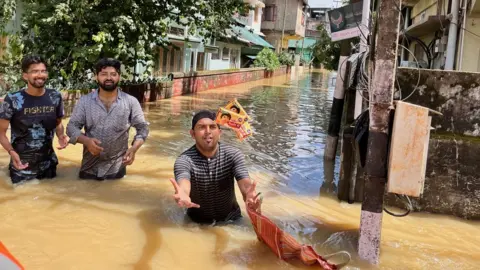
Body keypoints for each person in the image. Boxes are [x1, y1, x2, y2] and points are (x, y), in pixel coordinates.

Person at [66, 58, 149, 180]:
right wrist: (86, 141)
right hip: (89, 168)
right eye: (104, 74)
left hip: (117, 169)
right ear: (96, 77)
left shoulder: (130, 102)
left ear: (119, 77)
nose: (109, 78)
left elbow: (143, 128)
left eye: (113, 74)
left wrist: (134, 149)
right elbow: (71, 127)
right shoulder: (85, 101)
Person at [170, 110, 258, 224]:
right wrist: (183, 194)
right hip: (197, 223)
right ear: (192, 134)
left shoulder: (233, 155)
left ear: (219, 132)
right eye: (201, 127)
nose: (207, 132)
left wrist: (249, 196)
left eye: (212, 127)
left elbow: (245, 183)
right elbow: (183, 181)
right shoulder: (185, 160)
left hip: (232, 219)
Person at [0, 55, 68, 184]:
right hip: (22, 168)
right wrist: (11, 152)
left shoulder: (55, 96)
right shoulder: (13, 100)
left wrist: (61, 135)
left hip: (49, 165)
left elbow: (58, 122)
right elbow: (1, 132)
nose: (40, 75)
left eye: (43, 71)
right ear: (25, 76)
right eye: (35, 71)